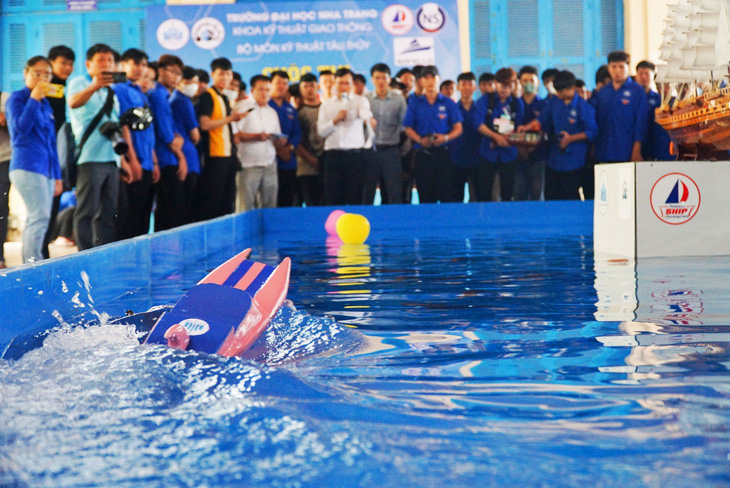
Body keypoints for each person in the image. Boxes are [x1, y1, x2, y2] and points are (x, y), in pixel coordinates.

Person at [68, 43, 137, 251]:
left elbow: (115, 128)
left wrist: (123, 161)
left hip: (112, 158)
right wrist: (93, 86)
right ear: (88, 64)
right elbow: (73, 103)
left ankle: (103, 252)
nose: (106, 64)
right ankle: (83, 253)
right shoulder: (79, 82)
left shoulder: (111, 92)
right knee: (87, 211)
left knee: (108, 211)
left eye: (110, 60)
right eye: (101, 60)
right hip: (90, 157)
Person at [6, 56, 63, 263]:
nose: (42, 78)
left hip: (46, 168)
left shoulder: (46, 104)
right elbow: (20, 129)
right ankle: (32, 263)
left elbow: (51, 142)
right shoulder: (17, 98)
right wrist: (34, 99)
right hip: (27, 165)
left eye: (47, 74)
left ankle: (34, 261)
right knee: (38, 217)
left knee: (41, 218)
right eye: (37, 73)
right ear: (26, 73)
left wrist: (57, 175)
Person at [518, 70, 597, 200]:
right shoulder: (555, 101)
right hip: (554, 159)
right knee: (551, 195)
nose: (558, 94)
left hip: (574, 160)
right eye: (557, 91)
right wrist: (526, 127)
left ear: (571, 88)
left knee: (570, 196)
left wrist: (571, 139)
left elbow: (592, 132)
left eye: (561, 91)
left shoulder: (583, 107)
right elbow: (543, 118)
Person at [114, 48, 158, 239]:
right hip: (135, 160)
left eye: (144, 64)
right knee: (130, 216)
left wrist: (154, 162)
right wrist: (132, 160)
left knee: (143, 215)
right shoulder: (119, 89)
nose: (141, 68)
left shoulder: (140, 93)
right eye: (136, 64)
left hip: (147, 160)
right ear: (123, 64)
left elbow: (149, 132)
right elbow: (124, 127)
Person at [403, 65, 463, 204]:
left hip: (443, 154)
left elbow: (458, 127)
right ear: (421, 81)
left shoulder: (448, 102)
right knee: (425, 195)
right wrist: (419, 139)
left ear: (438, 79)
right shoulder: (415, 103)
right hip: (422, 154)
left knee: (446, 194)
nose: (430, 81)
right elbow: (407, 126)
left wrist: (445, 137)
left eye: (433, 77)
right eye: (426, 78)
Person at [195, 57, 245, 220]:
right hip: (215, 155)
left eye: (228, 74)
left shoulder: (224, 97)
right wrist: (231, 119)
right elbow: (204, 124)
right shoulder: (207, 96)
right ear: (213, 75)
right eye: (221, 74)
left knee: (228, 200)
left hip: (228, 155)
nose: (225, 78)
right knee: (212, 200)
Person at [317, 67, 375, 205]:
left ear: (352, 84)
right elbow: (321, 131)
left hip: (354, 156)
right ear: (335, 84)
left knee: (355, 195)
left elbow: (365, 113)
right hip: (333, 155)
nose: (343, 87)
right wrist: (335, 121)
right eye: (340, 83)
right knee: (333, 197)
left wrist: (369, 120)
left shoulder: (360, 101)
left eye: (347, 83)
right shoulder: (326, 105)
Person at [474, 67, 525, 202]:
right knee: (484, 190)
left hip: (509, 153)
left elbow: (519, 127)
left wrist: (511, 139)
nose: (504, 89)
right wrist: (496, 137)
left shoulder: (517, 103)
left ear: (513, 86)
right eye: (501, 85)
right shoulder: (486, 100)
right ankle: (483, 219)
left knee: (508, 191)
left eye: (508, 86)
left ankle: (506, 220)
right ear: (496, 84)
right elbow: (478, 123)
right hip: (488, 152)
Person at [149, 54, 188, 231]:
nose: (176, 77)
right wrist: (181, 157)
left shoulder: (165, 96)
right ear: (160, 71)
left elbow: (172, 131)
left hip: (168, 158)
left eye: (179, 74)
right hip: (165, 160)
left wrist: (178, 138)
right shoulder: (157, 95)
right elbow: (166, 135)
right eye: (172, 72)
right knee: (170, 211)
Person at [44, 45, 75, 259]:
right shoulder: (46, 87)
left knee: (53, 203)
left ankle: (44, 248)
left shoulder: (68, 86)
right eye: (63, 63)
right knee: (44, 208)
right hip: (46, 152)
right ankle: (39, 251)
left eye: (70, 64)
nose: (67, 67)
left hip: (59, 152)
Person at [233, 75, 282, 212]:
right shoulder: (242, 107)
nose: (264, 93)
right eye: (261, 89)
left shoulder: (272, 112)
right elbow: (235, 134)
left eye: (267, 90)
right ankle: (243, 233)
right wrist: (256, 136)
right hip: (249, 164)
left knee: (270, 207)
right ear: (252, 90)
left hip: (269, 163)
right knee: (245, 206)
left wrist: (280, 140)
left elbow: (276, 135)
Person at [592, 51, 647, 163]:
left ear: (628, 67)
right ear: (609, 68)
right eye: (614, 67)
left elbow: (641, 122)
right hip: (604, 151)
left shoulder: (637, 91)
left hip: (627, 151)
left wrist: (636, 150)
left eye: (621, 67)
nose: (617, 71)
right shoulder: (602, 92)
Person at [364, 63, 407, 205]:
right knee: (368, 191)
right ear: (372, 80)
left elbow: (404, 126)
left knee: (394, 192)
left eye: (384, 77)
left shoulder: (398, 99)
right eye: (377, 78)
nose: (380, 81)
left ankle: (396, 223)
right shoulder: (366, 99)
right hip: (370, 151)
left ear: (389, 79)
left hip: (391, 150)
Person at [169, 66, 202, 224]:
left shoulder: (171, 98)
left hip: (175, 155)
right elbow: (195, 135)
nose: (193, 85)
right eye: (190, 82)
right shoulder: (183, 101)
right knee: (185, 206)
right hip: (187, 156)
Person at [268, 71, 302, 208]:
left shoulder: (291, 109)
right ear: (271, 84)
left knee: (287, 198)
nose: (281, 86)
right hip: (269, 160)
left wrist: (289, 148)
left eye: (285, 83)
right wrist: (276, 149)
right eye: (278, 83)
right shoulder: (265, 105)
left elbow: (297, 133)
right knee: (269, 200)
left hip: (288, 160)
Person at [514, 65, 546, 201]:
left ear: (537, 82)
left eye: (531, 80)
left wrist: (532, 148)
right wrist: (520, 149)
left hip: (538, 156)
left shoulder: (544, 105)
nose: (528, 84)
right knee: (518, 193)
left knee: (537, 193)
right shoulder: (514, 104)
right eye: (525, 80)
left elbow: (546, 128)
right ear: (520, 82)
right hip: (517, 157)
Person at [449, 72, 481, 202]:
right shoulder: (452, 108)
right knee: (456, 197)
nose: (467, 88)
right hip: (457, 158)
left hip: (478, 159)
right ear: (458, 87)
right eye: (463, 84)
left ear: (475, 88)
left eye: (470, 84)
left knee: (478, 197)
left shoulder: (480, 108)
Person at [635, 60, 674, 161]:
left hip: (657, 144)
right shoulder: (632, 98)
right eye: (641, 73)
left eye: (647, 74)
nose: (643, 77)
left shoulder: (659, 101)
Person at [295, 73, 324, 206]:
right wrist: (311, 159)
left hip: (326, 164)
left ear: (318, 86)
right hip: (306, 167)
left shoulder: (326, 108)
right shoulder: (297, 113)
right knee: (311, 203)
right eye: (305, 86)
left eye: (312, 85)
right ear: (300, 89)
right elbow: (296, 141)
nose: (309, 89)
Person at [0, 91, 12, 268]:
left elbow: (21, 127)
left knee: (1, 207)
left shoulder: (6, 98)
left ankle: (0, 256)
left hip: (4, 158)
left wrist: (7, 120)